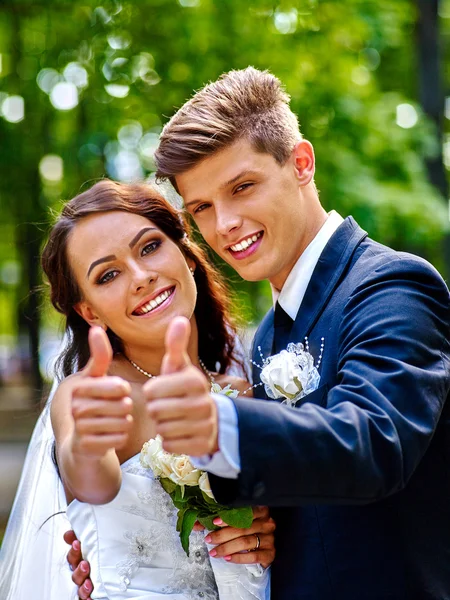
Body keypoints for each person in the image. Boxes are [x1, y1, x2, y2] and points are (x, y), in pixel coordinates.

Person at [68, 68, 450, 599]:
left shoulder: (390, 287)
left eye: (241, 187)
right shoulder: (267, 335)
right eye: (201, 208)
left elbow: (373, 444)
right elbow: (301, 504)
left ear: (301, 163)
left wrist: (218, 426)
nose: (224, 223)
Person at [0, 180, 274, 600]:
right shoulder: (90, 396)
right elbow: (95, 482)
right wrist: (88, 445)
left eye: (149, 247)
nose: (142, 277)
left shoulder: (244, 394)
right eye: (108, 274)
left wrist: (262, 538)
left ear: (187, 255)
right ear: (89, 311)